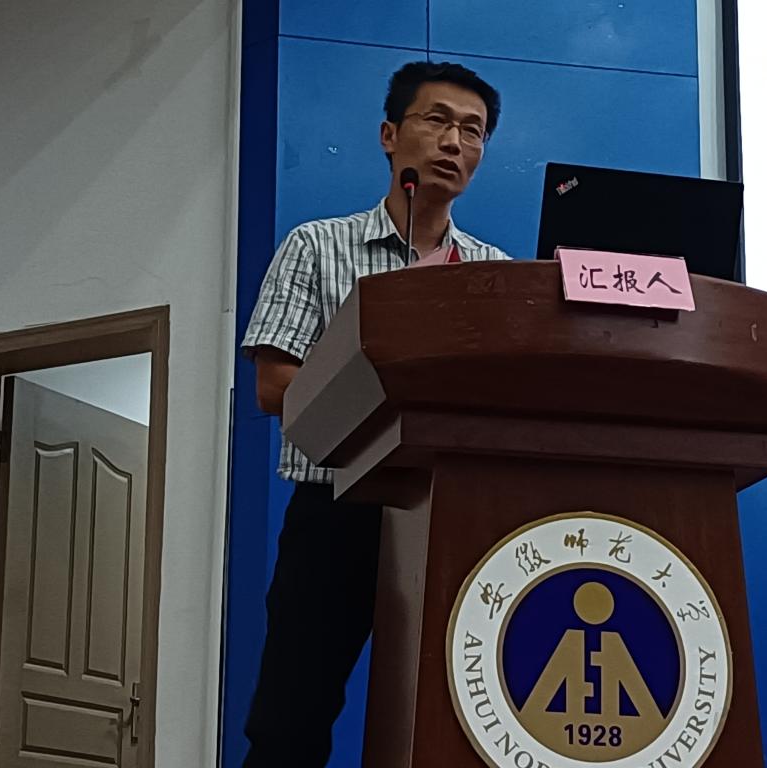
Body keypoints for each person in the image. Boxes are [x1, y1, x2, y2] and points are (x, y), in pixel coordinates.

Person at [240, 61, 510, 766]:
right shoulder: (316, 245)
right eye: (437, 120)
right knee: (290, 721)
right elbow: (274, 383)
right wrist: (395, 403)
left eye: (473, 131)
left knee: (452, 718)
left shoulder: (495, 273)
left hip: (451, 517)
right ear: (390, 135)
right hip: (338, 509)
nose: (454, 142)